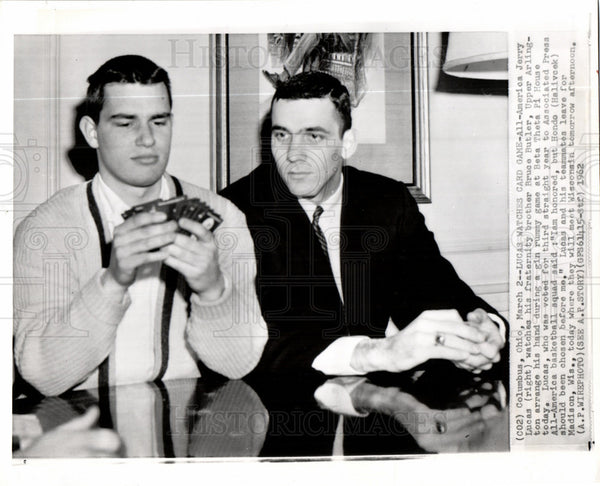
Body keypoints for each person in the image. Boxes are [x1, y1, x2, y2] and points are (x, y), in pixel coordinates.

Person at [220, 71, 507, 377]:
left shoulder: (387, 201)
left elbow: (435, 289)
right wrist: (375, 354)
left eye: (313, 136)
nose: (293, 154)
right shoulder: (234, 212)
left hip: (374, 408)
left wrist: (484, 331)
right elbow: (239, 345)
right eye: (281, 135)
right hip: (276, 408)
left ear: (347, 144)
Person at [14, 55, 267, 396]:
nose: (147, 139)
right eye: (125, 123)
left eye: (159, 122)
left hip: (185, 422)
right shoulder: (45, 230)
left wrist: (212, 290)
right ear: (92, 132)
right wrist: (112, 282)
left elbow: (239, 365)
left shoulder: (223, 218)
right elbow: (43, 376)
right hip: (81, 428)